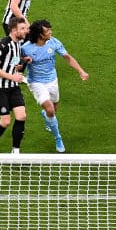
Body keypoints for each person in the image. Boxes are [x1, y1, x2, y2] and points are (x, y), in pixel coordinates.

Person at [20, 19, 89, 153]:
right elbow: (16, 63)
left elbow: (67, 57)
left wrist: (81, 71)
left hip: (52, 80)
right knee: (50, 109)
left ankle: (47, 116)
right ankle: (58, 138)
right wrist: (20, 65)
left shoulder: (53, 42)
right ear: (40, 34)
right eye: (47, 31)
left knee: (54, 108)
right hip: (36, 82)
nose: (50, 32)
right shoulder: (26, 48)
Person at [0, 17, 29, 153]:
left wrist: (23, 62)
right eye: (22, 28)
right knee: (5, 121)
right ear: (13, 29)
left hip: (13, 87)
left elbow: (12, 63)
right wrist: (13, 76)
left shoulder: (18, 43)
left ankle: (15, 152)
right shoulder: (3, 45)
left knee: (21, 116)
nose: (25, 30)